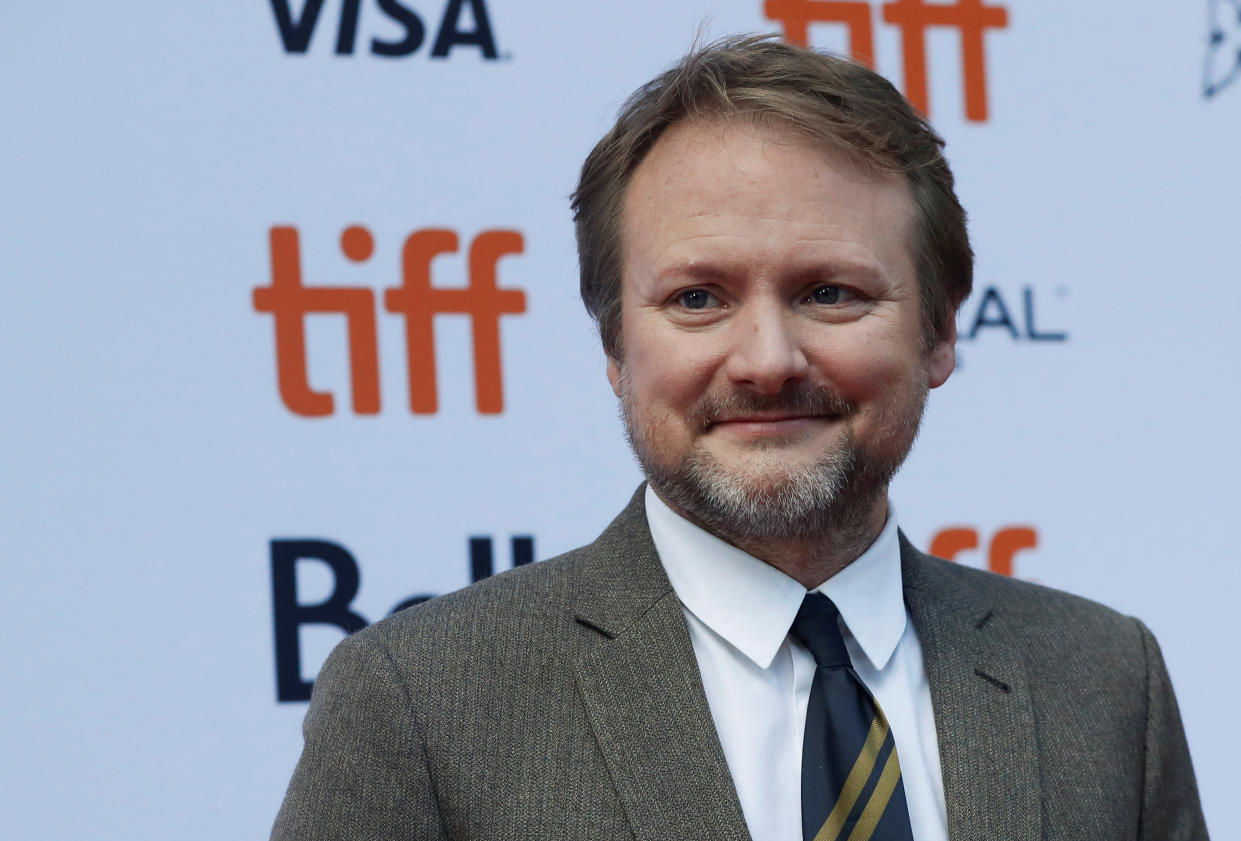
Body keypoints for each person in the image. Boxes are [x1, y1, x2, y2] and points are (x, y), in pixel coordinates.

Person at [272, 35, 1208, 841]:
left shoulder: (1103, 679)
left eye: (829, 292)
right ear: (614, 345)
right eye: (697, 299)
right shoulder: (422, 703)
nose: (765, 359)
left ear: (939, 332)